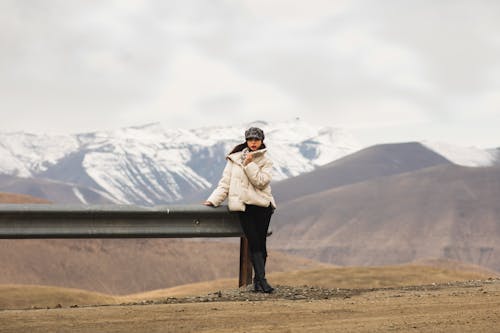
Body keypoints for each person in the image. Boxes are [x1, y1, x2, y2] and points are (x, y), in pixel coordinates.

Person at [203, 127, 277, 293]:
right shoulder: (234, 159)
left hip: (262, 207)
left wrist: (250, 164)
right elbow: (225, 183)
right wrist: (213, 200)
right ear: (246, 140)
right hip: (244, 207)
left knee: (261, 244)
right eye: (250, 140)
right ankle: (262, 281)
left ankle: (258, 282)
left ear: (261, 141)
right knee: (254, 243)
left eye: (256, 140)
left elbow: (261, 181)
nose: (253, 143)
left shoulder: (266, 160)